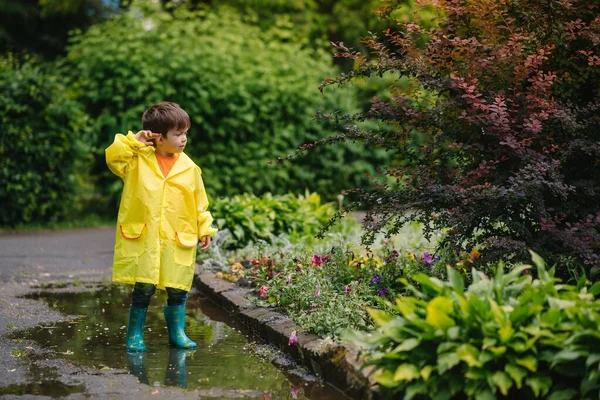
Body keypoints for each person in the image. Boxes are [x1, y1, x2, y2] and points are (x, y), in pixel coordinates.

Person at [105, 101, 218, 352]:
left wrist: (205, 228)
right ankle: (134, 335)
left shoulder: (189, 168)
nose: (183, 139)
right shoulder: (136, 161)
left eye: (185, 133)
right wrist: (134, 140)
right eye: (177, 134)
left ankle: (177, 332)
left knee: (177, 288)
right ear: (158, 137)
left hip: (178, 237)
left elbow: (200, 202)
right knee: (143, 287)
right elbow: (113, 158)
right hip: (145, 237)